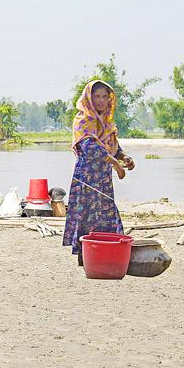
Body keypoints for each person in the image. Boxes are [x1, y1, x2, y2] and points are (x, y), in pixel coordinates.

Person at [62, 80, 136, 265]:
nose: (101, 101)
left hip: (103, 178)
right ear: (89, 98)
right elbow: (90, 148)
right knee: (87, 215)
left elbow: (114, 148)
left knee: (106, 214)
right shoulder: (83, 120)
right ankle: (85, 257)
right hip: (87, 178)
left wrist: (124, 158)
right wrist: (115, 165)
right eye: (97, 96)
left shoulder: (107, 123)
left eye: (105, 97)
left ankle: (107, 255)